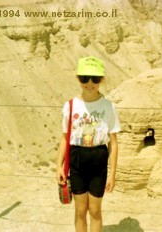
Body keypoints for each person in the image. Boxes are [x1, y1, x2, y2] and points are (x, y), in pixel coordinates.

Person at [56, 56, 121, 232]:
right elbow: (64, 138)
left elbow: (113, 144)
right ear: (78, 78)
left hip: (98, 159)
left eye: (95, 79)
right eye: (85, 78)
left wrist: (112, 173)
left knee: (95, 210)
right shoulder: (70, 106)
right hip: (77, 158)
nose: (90, 83)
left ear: (102, 80)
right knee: (80, 210)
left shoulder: (108, 107)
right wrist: (59, 166)